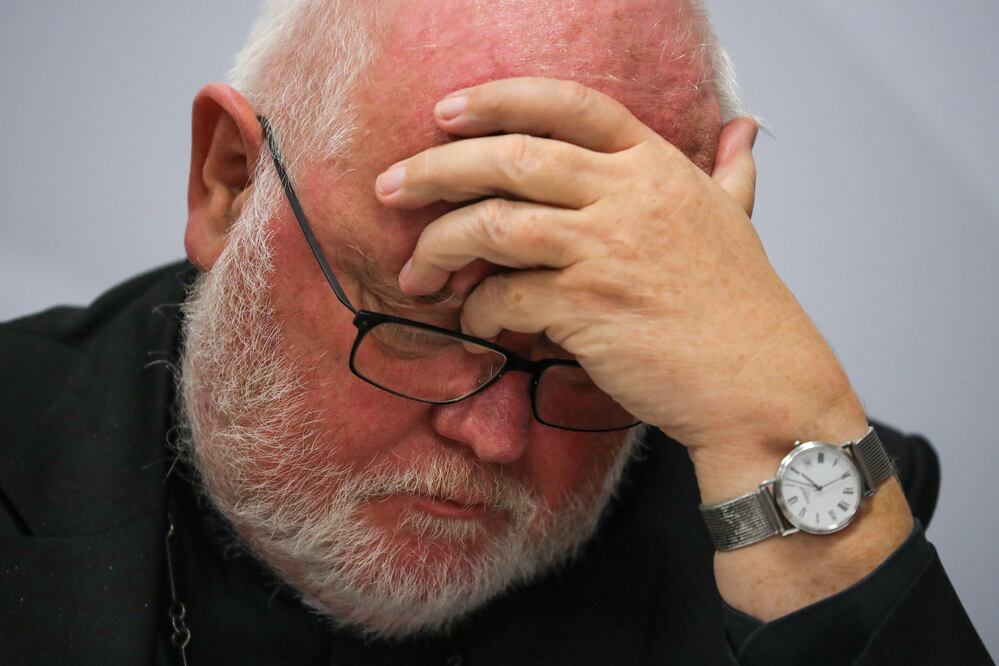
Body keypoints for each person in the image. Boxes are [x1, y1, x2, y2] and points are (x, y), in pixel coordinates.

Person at [0, 0, 992, 664]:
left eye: (580, 360)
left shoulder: (787, 493)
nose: (495, 436)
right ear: (226, 183)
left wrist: (782, 424)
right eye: (421, 329)